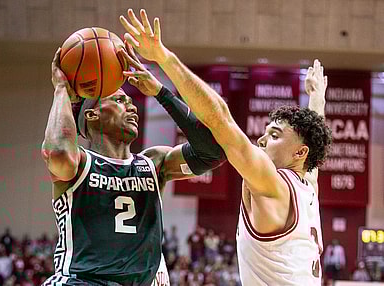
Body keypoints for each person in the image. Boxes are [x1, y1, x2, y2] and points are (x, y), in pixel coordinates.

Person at [119, 9, 332, 285]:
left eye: (275, 136)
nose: (262, 140)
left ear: (300, 153)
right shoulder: (308, 186)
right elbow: (313, 153)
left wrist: (163, 58)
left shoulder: (273, 186)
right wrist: (317, 99)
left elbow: (220, 119)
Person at [41, 41, 226, 284]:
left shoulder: (153, 163)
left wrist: (160, 92)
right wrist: (62, 90)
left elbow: (213, 153)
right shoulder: (79, 163)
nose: (132, 107)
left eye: (131, 102)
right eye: (119, 101)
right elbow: (57, 153)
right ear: (92, 114)